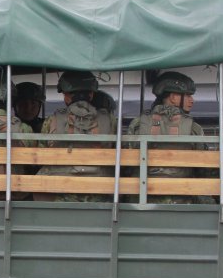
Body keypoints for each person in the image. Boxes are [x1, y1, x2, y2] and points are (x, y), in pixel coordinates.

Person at [126, 71, 206, 204]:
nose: (192, 100)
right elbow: (203, 166)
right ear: (173, 97)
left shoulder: (138, 123)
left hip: (141, 196)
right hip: (181, 198)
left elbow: (127, 162)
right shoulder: (193, 127)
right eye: (187, 95)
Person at [37, 71, 114, 202]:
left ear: (67, 96)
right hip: (99, 192)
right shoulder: (110, 120)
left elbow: (41, 155)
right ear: (91, 94)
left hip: (60, 192)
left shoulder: (52, 120)